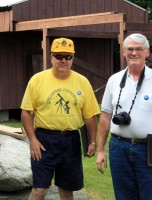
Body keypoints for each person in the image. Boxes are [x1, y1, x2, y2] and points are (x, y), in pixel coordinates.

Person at [21, 37, 100, 200]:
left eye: (68, 57)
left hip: (71, 140)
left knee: (67, 190)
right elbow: (26, 112)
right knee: (39, 189)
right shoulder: (37, 80)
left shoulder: (82, 82)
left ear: (73, 58)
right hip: (44, 141)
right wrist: (33, 140)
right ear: (51, 57)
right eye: (59, 56)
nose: (63, 60)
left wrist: (92, 142)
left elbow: (90, 115)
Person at [96, 33, 152, 200]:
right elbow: (105, 115)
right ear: (123, 52)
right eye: (130, 49)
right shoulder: (114, 80)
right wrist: (100, 150)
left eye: (139, 49)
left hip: (148, 149)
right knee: (123, 196)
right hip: (118, 147)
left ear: (147, 53)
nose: (134, 53)